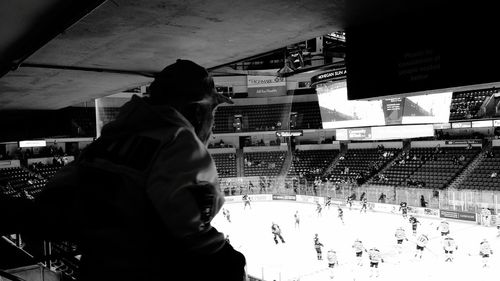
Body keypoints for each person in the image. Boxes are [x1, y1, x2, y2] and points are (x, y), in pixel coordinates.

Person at [0, 59, 246, 281]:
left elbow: (53, 201)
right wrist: (232, 262)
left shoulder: (112, 137)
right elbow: (196, 237)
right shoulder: (179, 142)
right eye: (212, 110)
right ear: (196, 110)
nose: (212, 122)